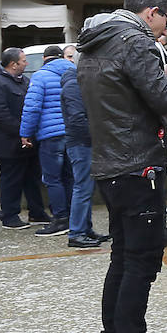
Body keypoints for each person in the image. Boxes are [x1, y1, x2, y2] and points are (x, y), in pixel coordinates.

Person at [77, 0, 167, 333]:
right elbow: (163, 99)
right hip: (138, 163)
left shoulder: (95, 41)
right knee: (141, 261)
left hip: (110, 161)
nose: (165, 31)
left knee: (122, 258)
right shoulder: (135, 40)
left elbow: (123, 94)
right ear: (152, 12)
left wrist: (160, 75)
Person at [0, 47, 48, 229]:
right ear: (13, 65)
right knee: (11, 180)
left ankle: (37, 213)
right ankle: (10, 216)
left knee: (32, 178)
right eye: (23, 61)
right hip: (7, 142)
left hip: (26, 141)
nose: (26, 63)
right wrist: (22, 132)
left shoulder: (22, 81)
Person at [20, 45, 75, 237]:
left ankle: (60, 219)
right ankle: (72, 217)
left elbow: (32, 108)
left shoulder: (40, 76)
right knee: (69, 177)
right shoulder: (74, 73)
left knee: (52, 179)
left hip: (51, 135)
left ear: (44, 59)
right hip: (73, 132)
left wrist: (25, 133)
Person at [60, 53, 106, 248]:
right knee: (82, 188)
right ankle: (77, 232)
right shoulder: (73, 86)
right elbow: (78, 120)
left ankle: (84, 229)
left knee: (85, 188)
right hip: (81, 143)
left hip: (84, 142)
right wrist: (99, 136)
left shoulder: (78, 83)